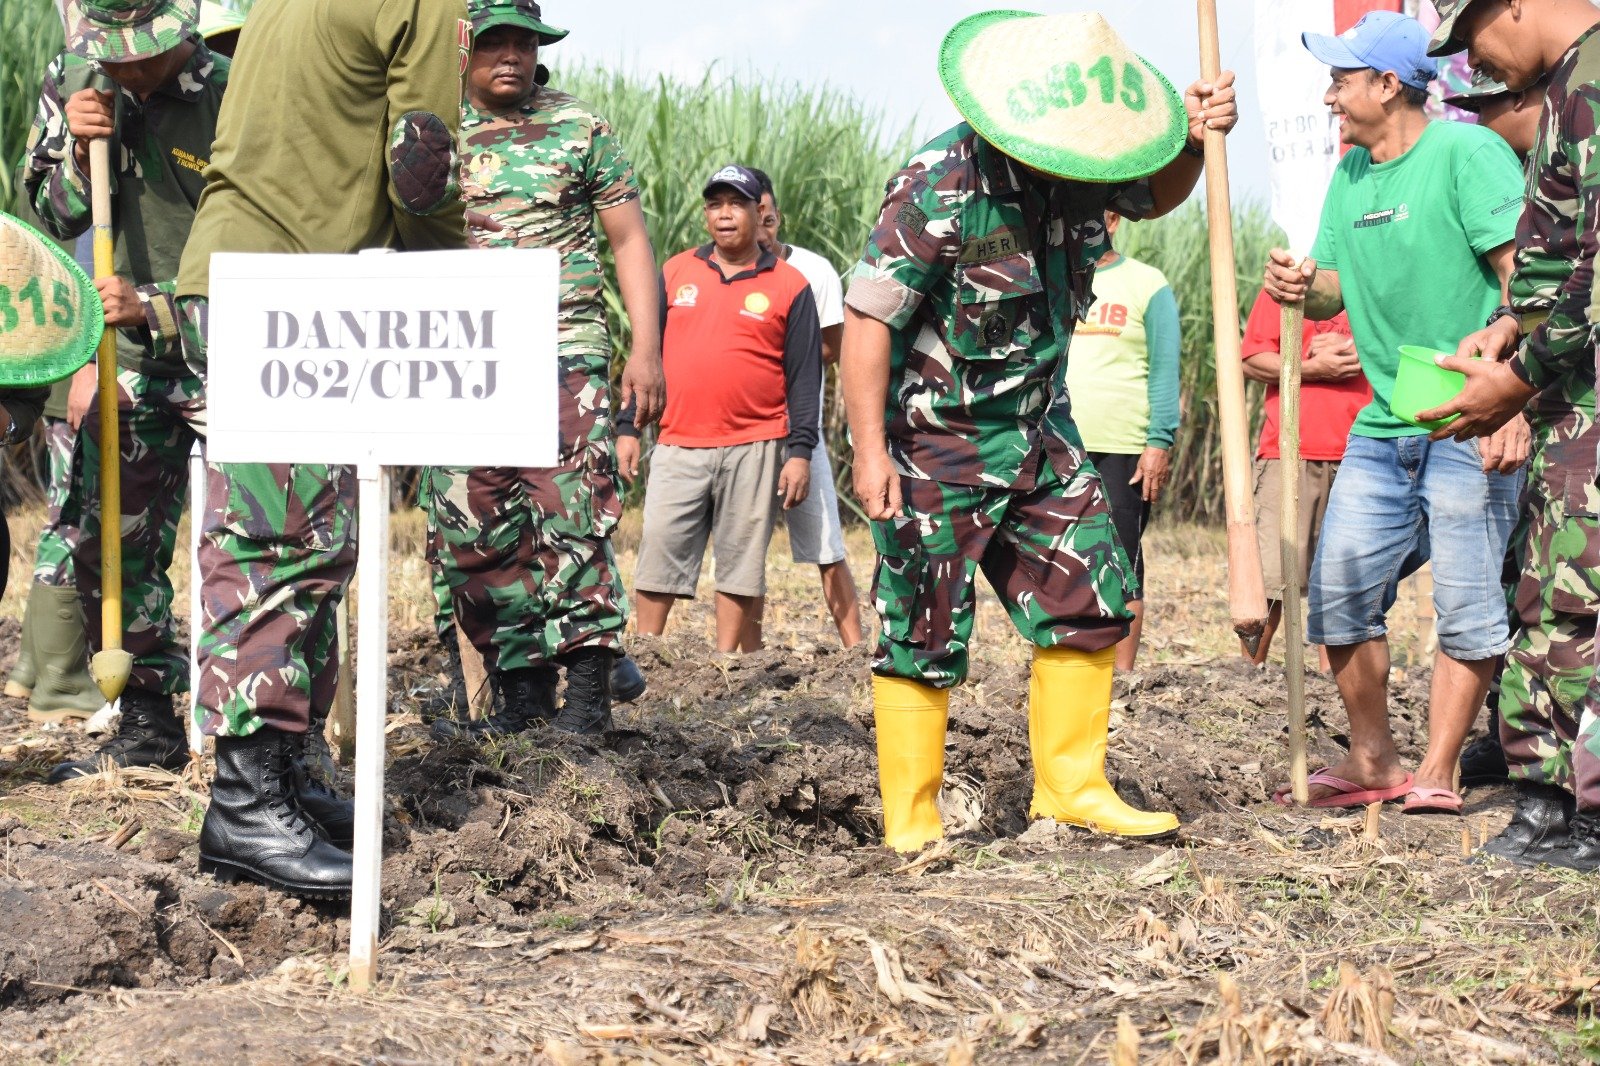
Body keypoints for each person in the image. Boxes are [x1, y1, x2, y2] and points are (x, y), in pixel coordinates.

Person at [841, 10, 1238, 852]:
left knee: (1095, 592)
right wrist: (868, 450)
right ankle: (913, 820)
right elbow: (870, 317)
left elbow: (1153, 193)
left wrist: (1197, 144)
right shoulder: (939, 181)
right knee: (922, 624)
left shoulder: (1088, 164)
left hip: (1041, 431)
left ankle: (1072, 789)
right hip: (936, 440)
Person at [174, 0, 470, 898]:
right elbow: (420, 162)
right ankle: (243, 805)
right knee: (274, 547)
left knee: (316, 542)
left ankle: (286, 777)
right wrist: (458, 287)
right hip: (281, 284)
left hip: (268, 280)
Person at [1261, 10, 1527, 816]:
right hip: (1383, 427)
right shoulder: (1351, 176)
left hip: (1467, 417)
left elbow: (1526, 276)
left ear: (1388, 85)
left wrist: (1512, 385)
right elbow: (1336, 281)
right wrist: (1303, 286)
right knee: (1338, 593)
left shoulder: (1465, 153)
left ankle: (1439, 770)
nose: (1329, 95)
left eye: (1342, 80)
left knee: (1470, 603)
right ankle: (1375, 760)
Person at [427, 0, 663, 743]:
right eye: (492, 40)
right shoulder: (431, 132)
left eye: (523, 42)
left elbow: (628, 240)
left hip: (564, 353)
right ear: (463, 47)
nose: (510, 55)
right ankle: (522, 697)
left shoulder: (579, 128)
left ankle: (588, 700)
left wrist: (647, 351)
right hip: (462, 356)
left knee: (572, 523)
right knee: (477, 528)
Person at [1417, 0, 1600, 869]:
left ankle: (1590, 813)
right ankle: (1546, 799)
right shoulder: (1569, 85)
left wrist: (1518, 378)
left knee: (1586, 602)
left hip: (1581, 393)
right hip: (1571, 398)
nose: (1479, 67)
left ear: (1514, 6)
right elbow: (1555, 255)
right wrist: (1504, 329)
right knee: (1549, 592)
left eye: (1475, 42)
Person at [23, 0, 224, 781]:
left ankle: (266, 731)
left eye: (140, 54)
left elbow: (270, 233)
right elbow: (46, 212)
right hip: (126, 351)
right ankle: (147, 724)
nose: (124, 70)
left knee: (263, 543)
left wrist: (165, 305)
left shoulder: (231, 93)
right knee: (113, 539)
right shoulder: (75, 79)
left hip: (224, 343)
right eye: (112, 53)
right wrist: (78, 148)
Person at [622, 165, 822, 653]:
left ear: (760, 213)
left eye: (737, 204)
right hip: (678, 441)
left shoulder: (791, 285)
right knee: (658, 554)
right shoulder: (674, 271)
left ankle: (726, 663)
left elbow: (804, 378)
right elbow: (643, 356)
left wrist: (800, 452)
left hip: (756, 444)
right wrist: (628, 426)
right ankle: (645, 652)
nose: (725, 214)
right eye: (716, 205)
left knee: (741, 562)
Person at [1442, 66, 1550, 789]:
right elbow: (1530, 300)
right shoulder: (1523, 183)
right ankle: (1512, 733)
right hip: (1534, 399)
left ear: (1523, 98)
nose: (1477, 122)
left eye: (1485, 105)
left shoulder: (1569, 167)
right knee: (1521, 579)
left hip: (1559, 402)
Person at [749, 167, 863, 650]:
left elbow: (831, 348)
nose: (763, 234)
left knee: (826, 545)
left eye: (769, 221)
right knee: (746, 548)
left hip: (801, 428)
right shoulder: (724, 272)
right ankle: (744, 655)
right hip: (745, 430)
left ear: (778, 219)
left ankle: (855, 649)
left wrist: (770, 351)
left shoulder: (812, 272)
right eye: (754, 223)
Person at [1062, 211, 1180, 670]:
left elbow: (1166, 371)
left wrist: (1159, 442)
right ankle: (1074, 664)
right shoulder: (1058, 277)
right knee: (1064, 556)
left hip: (1124, 446)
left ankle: (1123, 677)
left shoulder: (1146, 284)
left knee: (1120, 557)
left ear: (1110, 219)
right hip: (1059, 442)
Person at [3, 187, 103, 723]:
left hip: (50, 367)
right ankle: (57, 677)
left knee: (65, 515)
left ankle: (37, 669)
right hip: (82, 372)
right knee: (76, 515)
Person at [1237, 289, 1369, 669]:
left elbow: (1416, 341)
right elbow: (1252, 360)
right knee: (1270, 582)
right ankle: (1247, 680)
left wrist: (1361, 347)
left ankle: (1336, 687)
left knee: (1347, 586)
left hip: (1365, 452)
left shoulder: (1378, 283)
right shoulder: (1283, 291)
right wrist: (1311, 366)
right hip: (1289, 451)